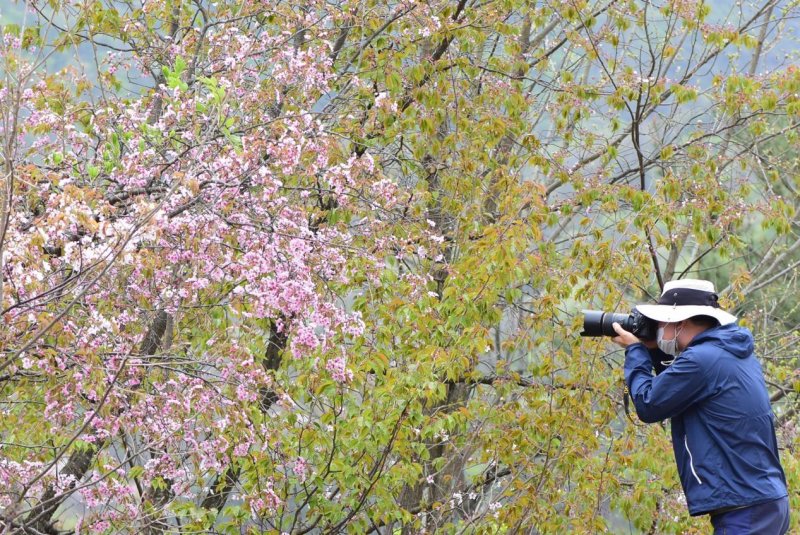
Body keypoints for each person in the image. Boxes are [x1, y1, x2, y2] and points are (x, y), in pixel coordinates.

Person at [611, 279, 789, 534]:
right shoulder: (729, 351)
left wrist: (635, 351)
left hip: (744, 509)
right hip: (762, 501)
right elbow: (680, 385)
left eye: (661, 322)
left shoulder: (701, 360)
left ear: (680, 322)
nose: (657, 328)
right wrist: (656, 351)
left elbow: (648, 404)